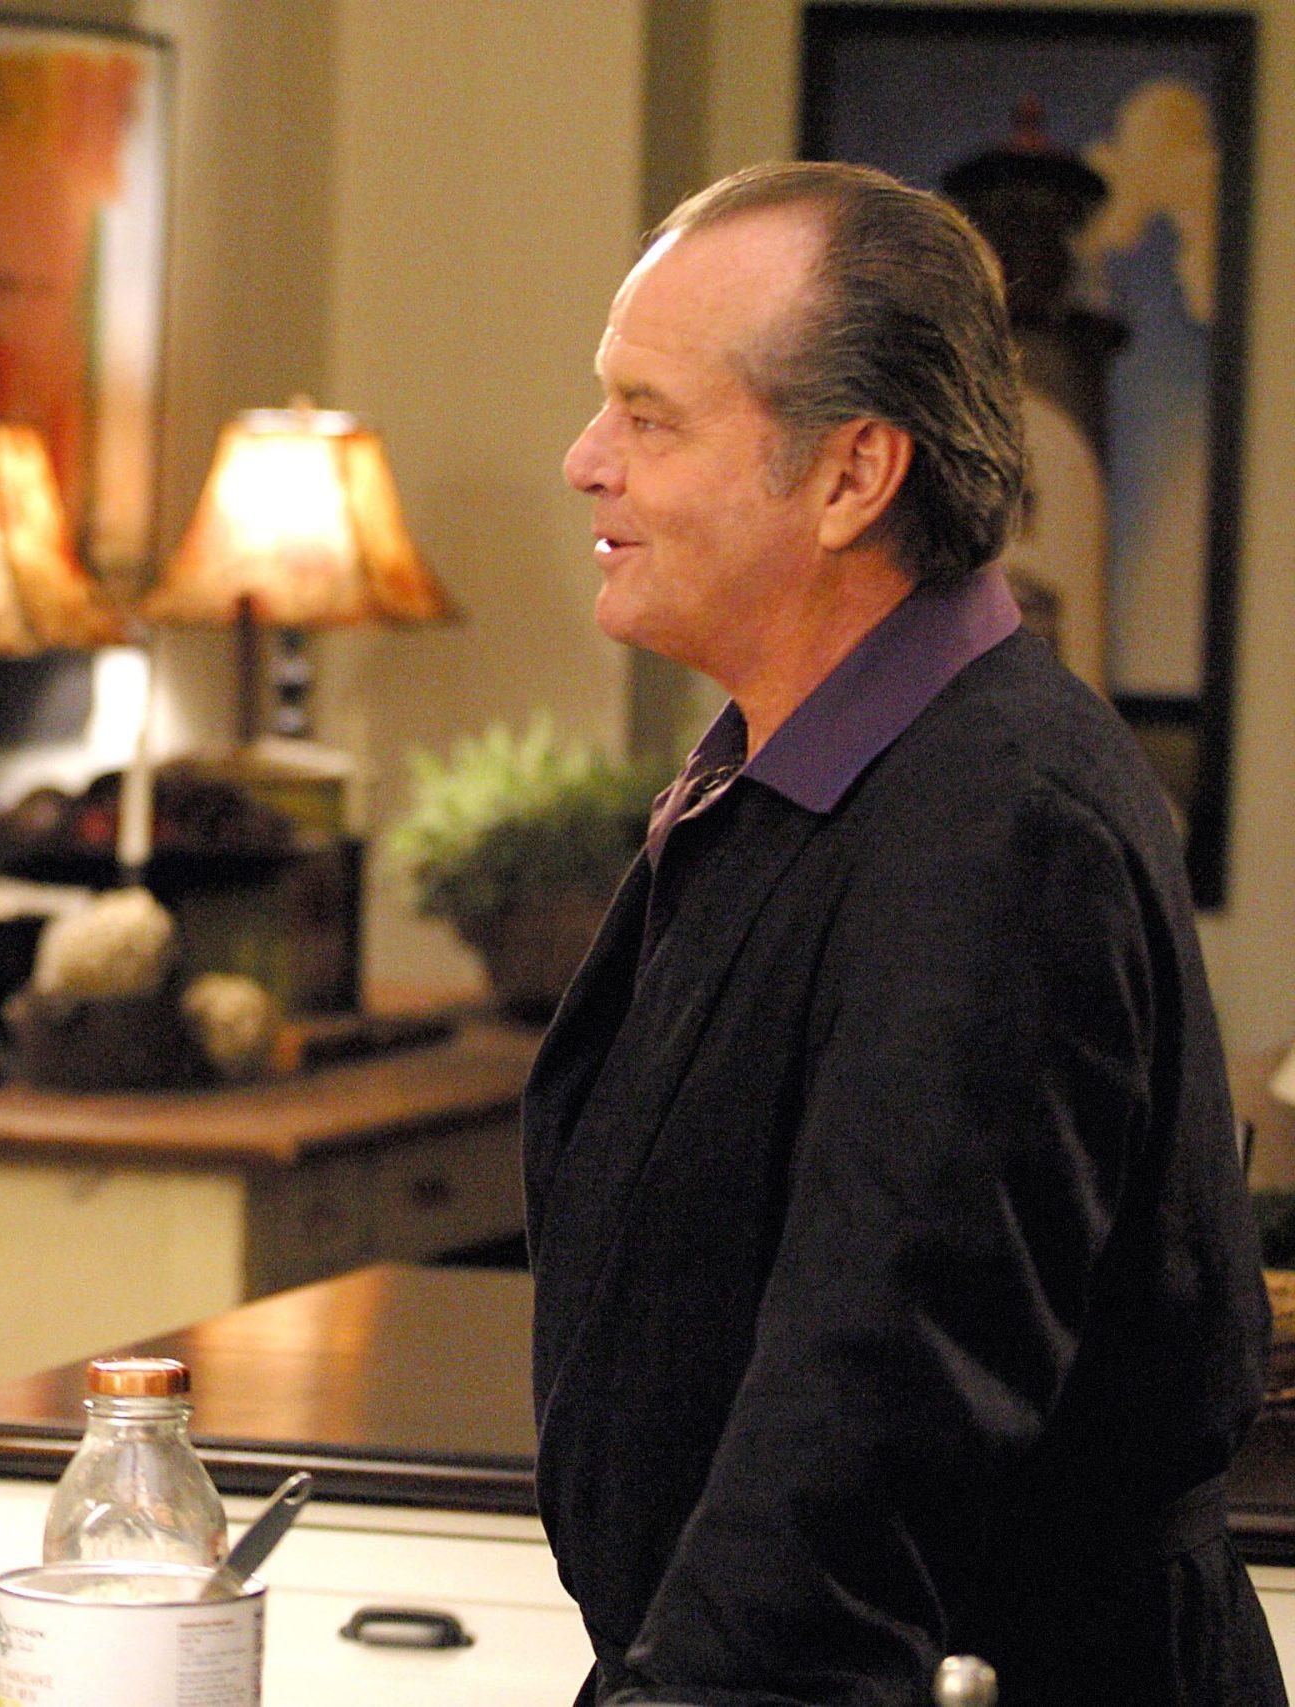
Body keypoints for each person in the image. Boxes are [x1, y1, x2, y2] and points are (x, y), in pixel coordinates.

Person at [527, 160, 1279, 1706]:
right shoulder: (807, 772)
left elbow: (863, 1446)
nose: (585, 460)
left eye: (648, 416)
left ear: (853, 474)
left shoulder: (1001, 830)